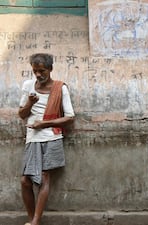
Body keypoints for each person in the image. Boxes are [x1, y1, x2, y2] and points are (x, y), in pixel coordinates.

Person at [18, 53, 75, 225]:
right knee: (25, 180)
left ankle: (35, 221)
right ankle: (31, 218)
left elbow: (70, 117)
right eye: (35, 71)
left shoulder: (60, 88)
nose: (38, 74)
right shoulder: (28, 86)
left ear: (50, 69)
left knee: (44, 178)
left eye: (41, 70)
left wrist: (44, 124)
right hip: (32, 139)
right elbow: (21, 114)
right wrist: (30, 103)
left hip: (51, 137)